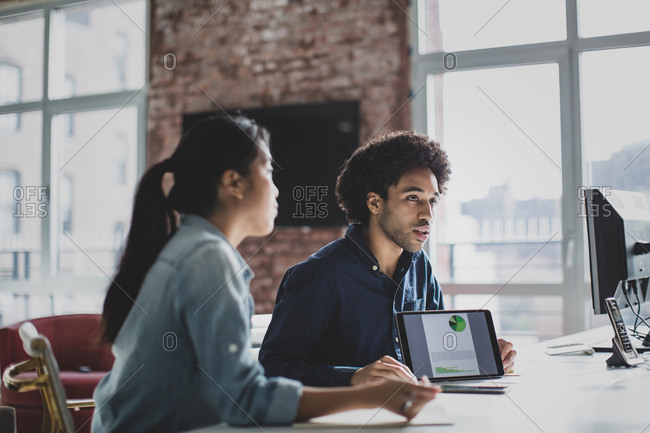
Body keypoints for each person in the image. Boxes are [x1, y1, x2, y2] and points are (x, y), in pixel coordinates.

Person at [92, 116, 438, 433]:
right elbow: (244, 400)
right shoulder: (206, 258)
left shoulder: (197, 248)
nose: (276, 189)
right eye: (268, 171)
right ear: (233, 183)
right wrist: (372, 395)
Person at [259, 130, 516, 387]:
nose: (427, 214)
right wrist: (352, 377)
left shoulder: (420, 266)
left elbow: (436, 353)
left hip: (413, 412)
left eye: (433, 201)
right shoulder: (319, 276)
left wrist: (480, 356)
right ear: (374, 203)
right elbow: (273, 367)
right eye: (412, 198)